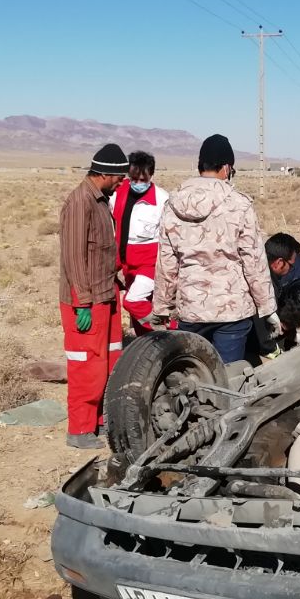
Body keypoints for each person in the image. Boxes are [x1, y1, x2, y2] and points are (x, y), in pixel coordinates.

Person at [152, 134, 278, 363]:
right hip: (232, 310)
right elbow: (253, 261)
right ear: (227, 167)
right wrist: (267, 308)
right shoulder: (239, 204)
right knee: (229, 376)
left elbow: (166, 263)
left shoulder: (173, 204)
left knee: (195, 372)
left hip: (191, 308)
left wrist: (161, 307)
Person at [59, 142, 128, 449]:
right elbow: (74, 256)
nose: (121, 183)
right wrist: (82, 302)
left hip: (106, 295)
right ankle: (79, 430)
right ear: (105, 174)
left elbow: (99, 251)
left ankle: (100, 419)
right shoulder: (80, 203)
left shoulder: (101, 200)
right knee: (87, 364)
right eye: (119, 177)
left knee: (110, 361)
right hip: (86, 301)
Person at [110, 150, 166, 335]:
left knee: (133, 301)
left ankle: (169, 333)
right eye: (134, 178)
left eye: (143, 180)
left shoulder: (162, 199)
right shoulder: (118, 192)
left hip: (149, 265)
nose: (137, 183)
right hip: (126, 264)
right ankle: (147, 344)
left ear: (151, 175)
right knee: (138, 313)